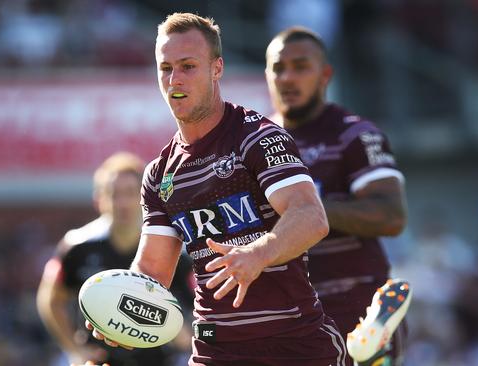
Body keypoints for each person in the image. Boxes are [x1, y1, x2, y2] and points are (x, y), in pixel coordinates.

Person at [87, 13, 347, 365]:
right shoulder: (160, 174)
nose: (175, 79)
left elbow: (311, 216)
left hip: (293, 342)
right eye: (166, 68)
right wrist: (119, 312)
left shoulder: (257, 138)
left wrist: (259, 253)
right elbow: (152, 270)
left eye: (188, 66)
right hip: (215, 348)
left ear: (217, 68)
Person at [265, 26, 411, 366]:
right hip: (292, 313)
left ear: (325, 75)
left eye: (301, 66)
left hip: (359, 310)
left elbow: (392, 216)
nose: (287, 77)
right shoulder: (257, 143)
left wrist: (307, 210)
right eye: (278, 68)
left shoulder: (354, 135)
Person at [37, 152, 194, 366]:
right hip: (98, 361)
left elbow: (204, 306)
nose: (123, 203)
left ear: (145, 196)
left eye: (130, 193)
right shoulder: (77, 245)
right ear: (98, 200)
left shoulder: (175, 248)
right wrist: (74, 350)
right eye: (113, 194)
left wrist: (184, 334)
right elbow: (50, 299)